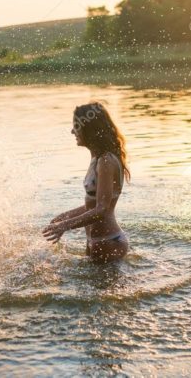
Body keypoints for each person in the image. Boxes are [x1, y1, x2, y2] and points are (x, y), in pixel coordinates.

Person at [42, 102, 130, 263]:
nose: (72, 131)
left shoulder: (106, 161)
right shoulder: (97, 158)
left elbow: (102, 209)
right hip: (99, 242)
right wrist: (63, 217)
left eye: (76, 126)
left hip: (109, 242)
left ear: (90, 129)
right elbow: (95, 205)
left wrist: (65, 225)